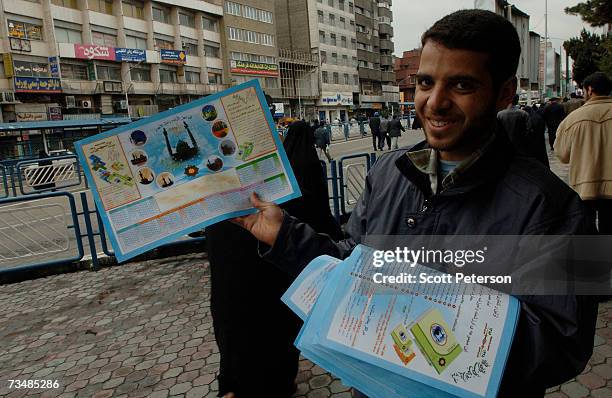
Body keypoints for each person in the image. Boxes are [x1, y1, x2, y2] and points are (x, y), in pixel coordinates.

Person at [233, 10, 598, 397]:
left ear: (504, 92)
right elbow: (352, 267)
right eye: (426, 82)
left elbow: (565, 343)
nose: (435, 102)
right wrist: (284, 235)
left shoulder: (560, 206)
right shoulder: (388, 171)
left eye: (461, 85)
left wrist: (431, 331)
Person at [206, 121, 343, 398]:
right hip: (267, 274)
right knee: (273, 334)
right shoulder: (282, 180)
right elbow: (312, 213)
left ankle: (232, 386)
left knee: (233, 335)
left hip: (229, 281)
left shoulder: (214, 191)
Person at [554, 71, 612, 233]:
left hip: (584, 187)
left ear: (590, 89)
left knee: (586, 233)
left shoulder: (573, 119)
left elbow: (562, 155)